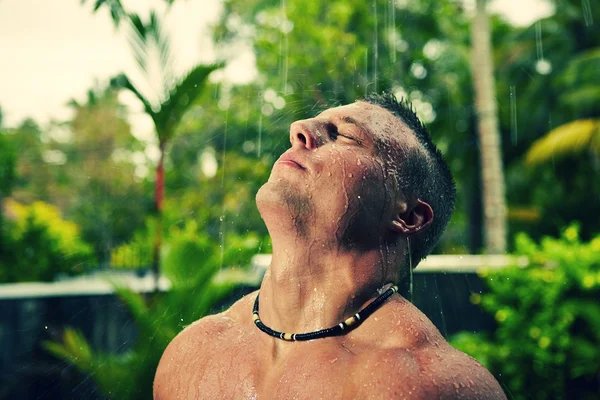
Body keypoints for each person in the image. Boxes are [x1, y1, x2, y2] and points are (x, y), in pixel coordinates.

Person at [153, 92, 507, 399]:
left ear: (410, 216)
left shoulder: (432, 385)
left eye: (347, 135)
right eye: (310, 123)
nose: (299, 130)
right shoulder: (193, 351)